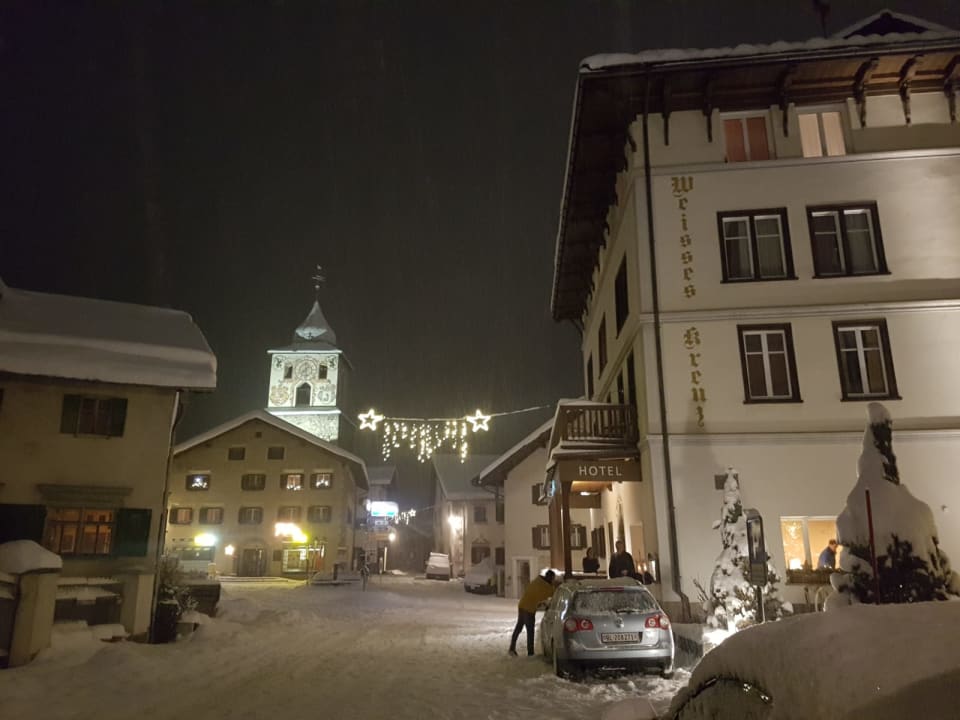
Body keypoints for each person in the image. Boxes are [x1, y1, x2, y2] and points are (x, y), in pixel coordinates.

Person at [509, 570, 557, 657]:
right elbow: (552, 598)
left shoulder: (537, 580)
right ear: (550, 578)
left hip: (522, 605)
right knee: (530, 630)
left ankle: (512, 648)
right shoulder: (546, 587)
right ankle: (530, 653)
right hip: (529, 609)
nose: (554, 580)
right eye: (553, 578)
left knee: (519, 627)